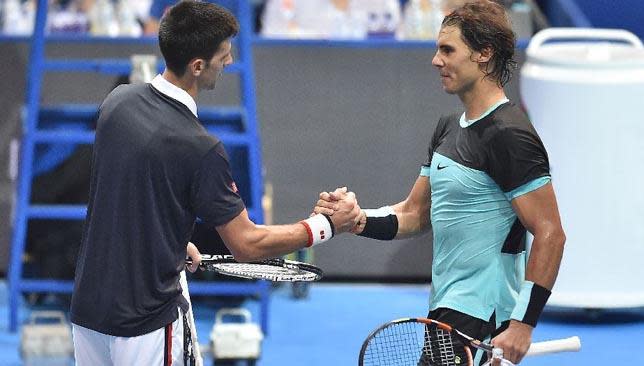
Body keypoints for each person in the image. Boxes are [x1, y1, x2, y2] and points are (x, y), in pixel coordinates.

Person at [69, 1, 360, 365]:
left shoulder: (116, 103)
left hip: (88, 312)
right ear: (197, 66)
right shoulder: (201, 148)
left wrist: (170, 240)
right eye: (224, 54)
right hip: (146, 324)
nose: (230, 61)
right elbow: (247, 244)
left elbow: (121, 196)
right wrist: (326, 226)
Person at [315, 1, 565, 365]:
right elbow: (415, 213)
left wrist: (523, 324)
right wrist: (356, 219)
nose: (436, 60)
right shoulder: (448, 127)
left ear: (484, 54)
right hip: (446, 311)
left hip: (483, 315)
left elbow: (550, 232)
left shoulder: (511, 136)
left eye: (448, 50)